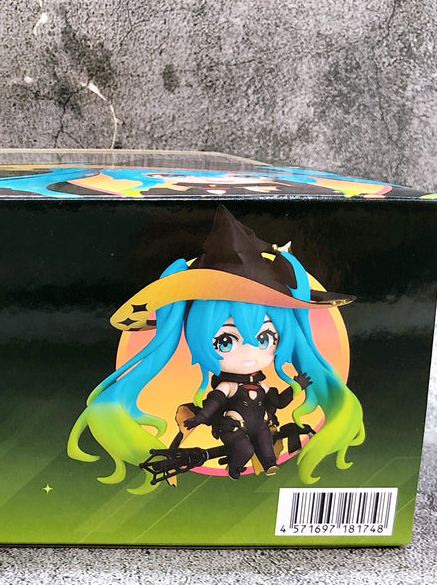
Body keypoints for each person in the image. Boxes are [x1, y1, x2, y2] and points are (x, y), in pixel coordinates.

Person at [67, 207, 364, 488]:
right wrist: (199, 418)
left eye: (264, 339)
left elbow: (278, 402)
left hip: (260, 424)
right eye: (225, 342)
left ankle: (267, 463)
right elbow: (215, 402)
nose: (249, 356)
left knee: (265, 445)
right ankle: (236, 467)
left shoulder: (260, 385)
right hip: (233, 427)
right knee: (243, 448)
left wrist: (297, 386)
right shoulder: (228, 386)